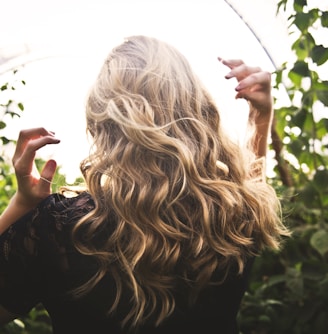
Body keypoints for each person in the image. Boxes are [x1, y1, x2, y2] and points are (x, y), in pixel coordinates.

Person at [0, 35, 290, 334]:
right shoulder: (236, 213)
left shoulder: (59, 228)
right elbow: (251, 188)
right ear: (195, 109)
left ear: (103, 121)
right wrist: (260, 115)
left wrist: (22, 205)